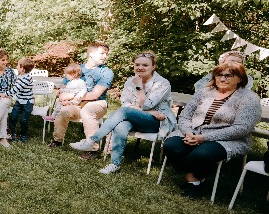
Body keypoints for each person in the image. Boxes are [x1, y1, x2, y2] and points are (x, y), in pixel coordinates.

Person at [163, 61, 261, 198]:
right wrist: (188, 133)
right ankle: (194, 180)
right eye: (219, 75)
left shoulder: (249, 98)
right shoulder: (204, 92)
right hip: (194, 132)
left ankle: (194, 180)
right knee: (171, 146)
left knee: (201, 155)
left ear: (240, 79)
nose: (222, 79)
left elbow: (242, 128)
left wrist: (204, 138)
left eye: (228, 76)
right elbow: (185, 116)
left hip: (228, 139)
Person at [69, 51, 177, 174]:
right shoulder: (130, 81)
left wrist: (139, 87)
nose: (140, 67)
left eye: (145, 65)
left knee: (124, 111)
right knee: (121, 125)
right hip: (136, 117)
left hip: (157, 122)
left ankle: (92, 140)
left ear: (153, 67)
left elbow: (147, 104)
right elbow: (125, 103)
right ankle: (115, 164)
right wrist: (151, 111)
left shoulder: (162, 83)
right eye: (137, 64)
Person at [48, 42, 114, 160]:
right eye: (102, 53)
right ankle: (57, 140)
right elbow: (63, 87)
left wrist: (72, 96)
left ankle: (92, 149)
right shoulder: (77, 69)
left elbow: (95, 95)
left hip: (97, 103)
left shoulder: (106, 72)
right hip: (77, 104)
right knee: (64, 111)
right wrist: (62, 96)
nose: (105, 56)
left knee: (87, 111)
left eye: (106, 54)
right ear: (91, 54)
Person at [6, 58, 36, 142]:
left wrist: (6, 94)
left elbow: (16, 88)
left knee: (24, 119)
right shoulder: (20, 76)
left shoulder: (27, 78)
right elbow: (15, 86)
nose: (16, 67)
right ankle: (12, 133)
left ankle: (23, 134)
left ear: (22, 68)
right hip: (19, 101)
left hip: (27, 103)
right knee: (13, 117)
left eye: (17, 65)